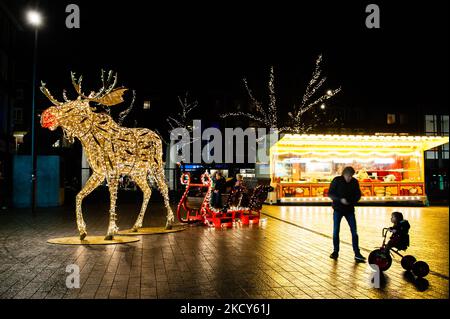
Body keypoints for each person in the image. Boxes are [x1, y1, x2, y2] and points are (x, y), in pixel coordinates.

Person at [328, 166, 366, 262]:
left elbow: (358, 195)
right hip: (338, 209)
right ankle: (335, 252)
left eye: (351, 176)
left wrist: (351, 201)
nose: (350, 178)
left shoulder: (354, 182)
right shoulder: (337, 180)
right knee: (336, 231)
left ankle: (357, 253)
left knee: (354, 232)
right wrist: (340, 200)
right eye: (348, 176)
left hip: (349, 210)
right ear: (344, 174)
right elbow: (330, 193)